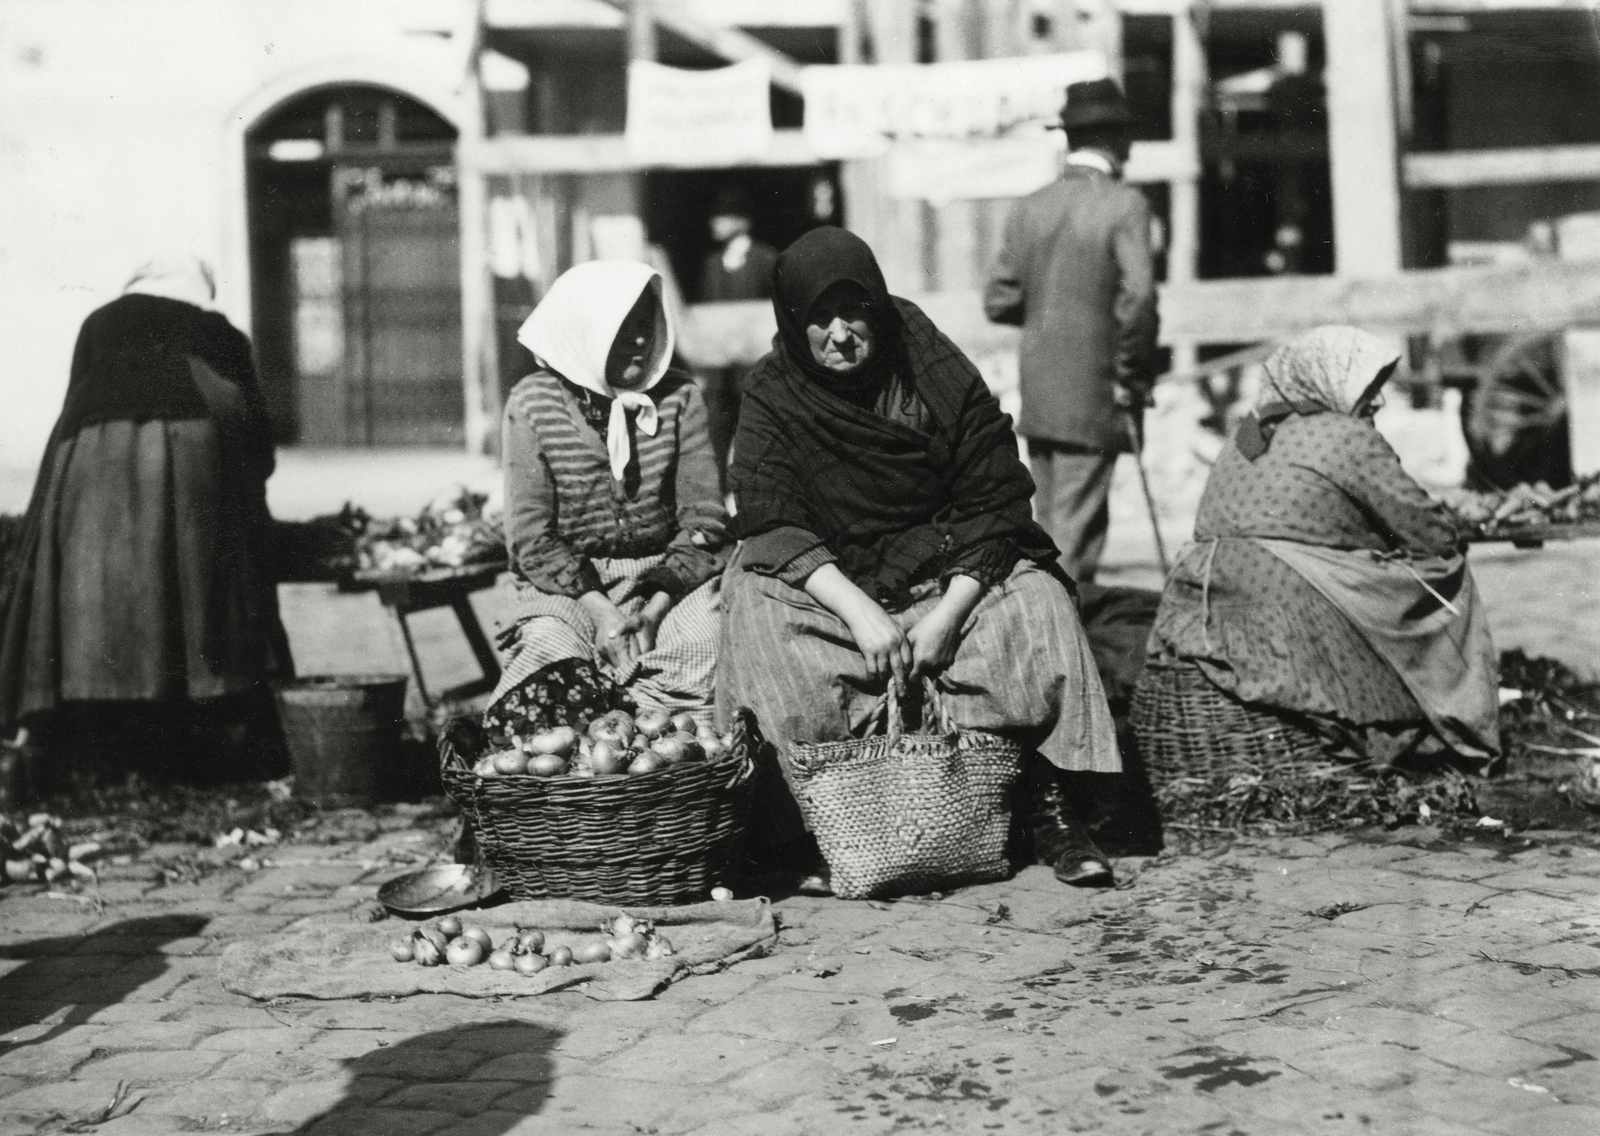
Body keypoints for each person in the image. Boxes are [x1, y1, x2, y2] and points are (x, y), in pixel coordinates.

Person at [717, 226, 1122, 890]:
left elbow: (995, 492)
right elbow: (770, 517)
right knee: (757, 615)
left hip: (941, 564)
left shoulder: (929, 365)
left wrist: (949, 615)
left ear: (877, 306)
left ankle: (1046, 806)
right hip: (835, 581)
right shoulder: (774, 390)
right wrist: (860, 613)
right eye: (819, 317)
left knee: (1038, 600)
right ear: (792, 320)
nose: (840, 334)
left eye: (854, 312)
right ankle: (812, 827)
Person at [1145, 326, 1500, 769]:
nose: (1378, 401)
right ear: (1327, 382)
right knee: (1442, 571)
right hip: (1284, 590)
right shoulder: (1343, 434)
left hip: (1199, 588)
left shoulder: (1247, 435)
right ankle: (1455, 718)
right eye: (1367, 388)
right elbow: (1428, 530)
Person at [0, 254, 292, 784]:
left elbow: (72, 405)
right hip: (195, 446)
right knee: (195, 579)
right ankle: (197, 716)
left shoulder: (100, 321)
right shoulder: (219, 331)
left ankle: (103, 720)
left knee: (99, 582)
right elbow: (255, 437)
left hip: (92, 454)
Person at [489, 260, 729, 739]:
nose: (640, 340)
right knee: (550, 651)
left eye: (645, 324)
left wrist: (653, 611)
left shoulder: (679, 397)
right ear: (585, 331)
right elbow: (532, 539)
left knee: (704, 643)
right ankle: (587, 769)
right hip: (567, 586)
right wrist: (603, 612)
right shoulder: (532, 404)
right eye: (622, 327)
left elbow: (704, 520)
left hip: (666, 579)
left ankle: (653, 758)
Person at [984, 77, 1160, 584]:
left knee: (1050, 530)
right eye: (1126, 134)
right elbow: (1140, 299)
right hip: (1098, 394)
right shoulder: (1125, 205)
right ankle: (1058, 627)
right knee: (1074, 543)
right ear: (1112, 138)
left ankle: (1045, 621)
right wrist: (1132, 374)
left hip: (1040, 394)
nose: (1131, 146)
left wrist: (1051, 312)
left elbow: (999, 299)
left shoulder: (1030, 206)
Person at [696, 186, 779, 483]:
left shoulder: (766, 259)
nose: (714, 223)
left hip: (754, 368)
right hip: (720, 371)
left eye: (722, 216)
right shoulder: (711, 263)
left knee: (756, 437)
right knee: (716, 436)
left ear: (742, 221)